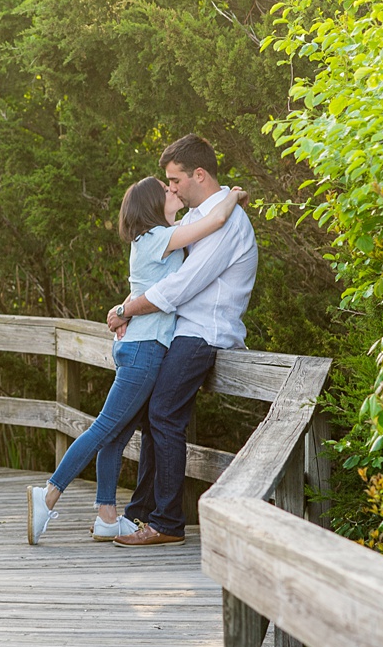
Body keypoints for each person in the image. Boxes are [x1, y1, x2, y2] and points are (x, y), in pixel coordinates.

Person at [27, 175, 248, 545]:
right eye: (166, 189)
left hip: (140, 346)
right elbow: (214, 222)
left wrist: (123, 310)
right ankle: (48, 494)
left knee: (116, 433)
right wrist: (233, 195)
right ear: (151, 205)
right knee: (104, 429)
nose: (172, 190)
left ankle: (107, 517)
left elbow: (193, 231)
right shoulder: (157, 239)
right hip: (145, 352)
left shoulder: (156, 238)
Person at [107, 134, 257, 547]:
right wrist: (128, 304)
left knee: (164, 414)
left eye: (174, 181)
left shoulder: (226, 224)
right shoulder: (200, 216)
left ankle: (168, 522)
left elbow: (183, 286)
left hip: (203, 333)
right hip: (180, 330)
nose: (169, 188)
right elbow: (162, 271)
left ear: (199, 174)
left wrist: (127, 311)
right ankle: (141, 514)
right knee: (150, 416)